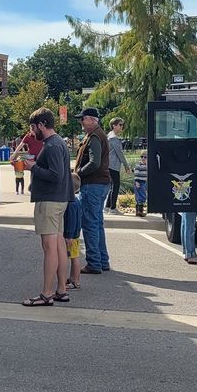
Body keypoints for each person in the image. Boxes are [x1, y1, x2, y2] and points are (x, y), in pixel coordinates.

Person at [22, 107, 73, 306]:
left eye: (34, 127)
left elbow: (55, 175)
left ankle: (46, 293)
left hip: (49, 201)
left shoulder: (51, 145)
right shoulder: (59, 142)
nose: (33, 131)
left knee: (49, 247)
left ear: (42, 124)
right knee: (59, 245)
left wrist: (33, 167)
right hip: (60, 200)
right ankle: (61, 289)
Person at [74, 107, 112, 274]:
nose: (81, 122)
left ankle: (94, 263)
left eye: (82, 119)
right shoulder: (98, 134)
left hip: (92, 185)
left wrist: (78, 173)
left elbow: (95, 163)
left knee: (89, 224)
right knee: (97, 224)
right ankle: (102, 261)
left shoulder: (94, 136)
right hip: (100, 184)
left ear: (91, 120)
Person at [105, 117, 132, 214]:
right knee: (115, 186)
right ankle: (112, 208)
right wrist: (126, 166)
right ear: (114, 126)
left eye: (122, 125)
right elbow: (120, 153)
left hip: (110, 165)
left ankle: (107, 207)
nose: (122, 127)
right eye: (120, 125)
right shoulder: (113, 138)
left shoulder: (109, 136)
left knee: (113, 186)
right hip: (113, 165)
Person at [64, 173, 83, 295]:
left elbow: (71, 220)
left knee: (74, 257)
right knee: (73, 257)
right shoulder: (76, 201)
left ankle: (75, 281)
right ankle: (72, 278)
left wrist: (69, 235)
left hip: (72, 236)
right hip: (75, 234)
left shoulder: (70, 203)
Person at [133, 153, 148, 217]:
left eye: (145, 157)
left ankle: (138, 211)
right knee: (141, 196)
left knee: (141, 196)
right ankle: (139, 211)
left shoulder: (147, 165)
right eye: (142, 157)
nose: (143, 158)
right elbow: (136, 173)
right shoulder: (139, 165)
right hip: (139, 182)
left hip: (144, 182)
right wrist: (136, 181)